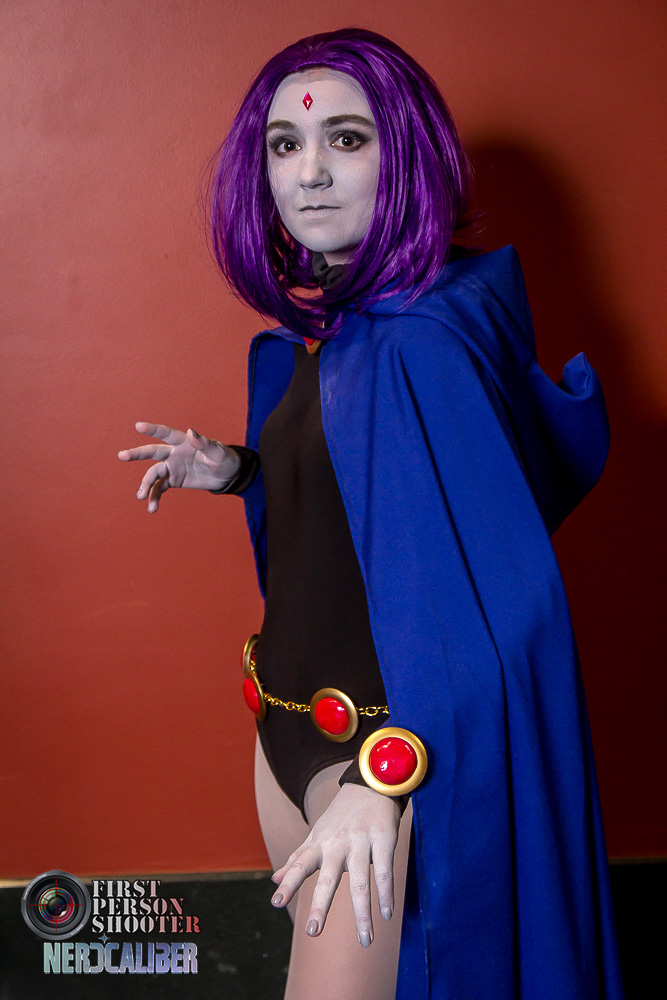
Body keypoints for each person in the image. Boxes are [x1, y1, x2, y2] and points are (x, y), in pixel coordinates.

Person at [118, 28, 625, 1000]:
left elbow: (501, 607)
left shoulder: (422, 340)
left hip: (385, 758)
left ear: (408, 157)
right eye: (284, 145)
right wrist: (241, 471)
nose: (308, 172)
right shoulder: (350, 326)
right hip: (287, 726)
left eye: (346, 139)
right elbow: (383, 514)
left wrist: (376, 780)